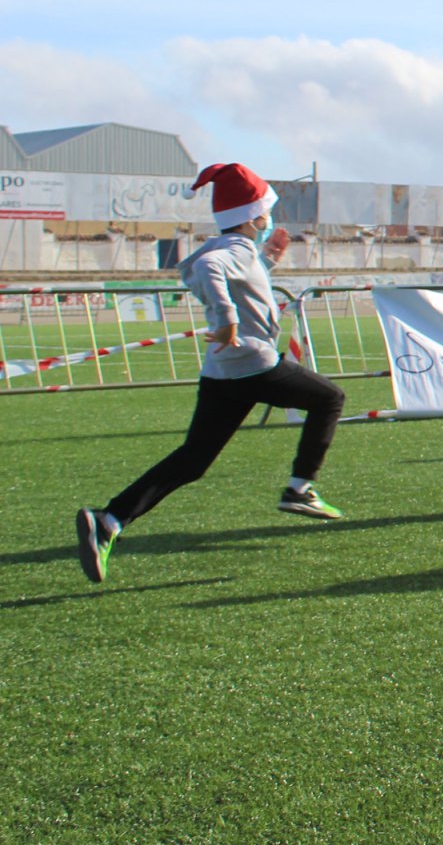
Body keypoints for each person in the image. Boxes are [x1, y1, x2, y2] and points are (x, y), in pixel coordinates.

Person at [79, 163, 349, 582]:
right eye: (267, 211)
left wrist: (269, 260)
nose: (270, 219)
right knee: (330, 398)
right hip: (252, 365)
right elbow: (213, 273)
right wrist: (225, 318)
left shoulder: (232, 248)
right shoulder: (234, 251)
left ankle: (109, 521)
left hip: (223, 372)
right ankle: (300, 489)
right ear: (254, 216)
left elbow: (233, 277)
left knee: (193, 460)